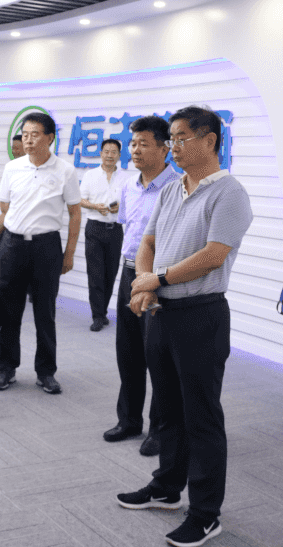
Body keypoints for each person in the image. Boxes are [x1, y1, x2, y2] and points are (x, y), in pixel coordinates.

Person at [116, 106, 253, 547]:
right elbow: (148, 241)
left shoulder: (230, 193)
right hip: (163, 312)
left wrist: (156, 280)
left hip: (201, 315)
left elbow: (214, 255)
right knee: (168, 410)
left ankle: (206, 513)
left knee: (202, 417)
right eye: (171, 139)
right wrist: (146, 283)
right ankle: (167, 487)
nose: (172, 146)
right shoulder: (173, 188)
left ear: (209, 141)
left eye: (180, 138)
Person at [103, 116, 179, 457]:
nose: (135, 150)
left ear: (165, 149)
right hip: (129, 273)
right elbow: (128, 229)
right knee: (128, 351)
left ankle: (160, 430)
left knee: (158, 357)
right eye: (133, 144)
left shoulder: (176, 188)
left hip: (159, 279)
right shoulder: (128, 186)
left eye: (143, 144)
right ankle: (129, 420)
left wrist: (154, 280)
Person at [0, 112, 81, 395]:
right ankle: (6, 368)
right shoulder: (13, 168)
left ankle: (46, 372)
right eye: (25, 135)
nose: (28, 140)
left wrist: (69, 253)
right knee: (9, 310)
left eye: (35, 135)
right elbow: (2, 209)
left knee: (45, 312)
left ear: (50, 138)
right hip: (13, 245)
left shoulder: (65, 170)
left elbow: (75, 213)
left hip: (47, 247)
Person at [79, 139, 128, 331]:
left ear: (119, 155)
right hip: (95, 229)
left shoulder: (126, 178)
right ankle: (97, 316)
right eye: (106, 151)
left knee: (111, 273)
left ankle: (103, 311)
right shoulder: (90, 175)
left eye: (114, 152)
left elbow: (131, 202)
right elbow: (80, 200)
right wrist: (94, 206)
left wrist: (120, 207)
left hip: (115, 230)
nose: (110, 155)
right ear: (101, 154)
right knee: (95, 274)